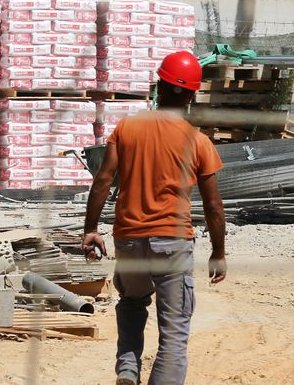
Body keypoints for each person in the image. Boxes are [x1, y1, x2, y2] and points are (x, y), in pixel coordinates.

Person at [83, 50, 227, 385]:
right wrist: (218, 252)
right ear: (192, 95)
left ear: (158, 86)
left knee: (132, 304)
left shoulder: (128, 128)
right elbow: (214, 207)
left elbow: (103, 179)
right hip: (173, 244)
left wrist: (91, 229)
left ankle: (128, 371)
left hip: (129, 240)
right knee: (174, 333)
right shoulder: (198, 142)